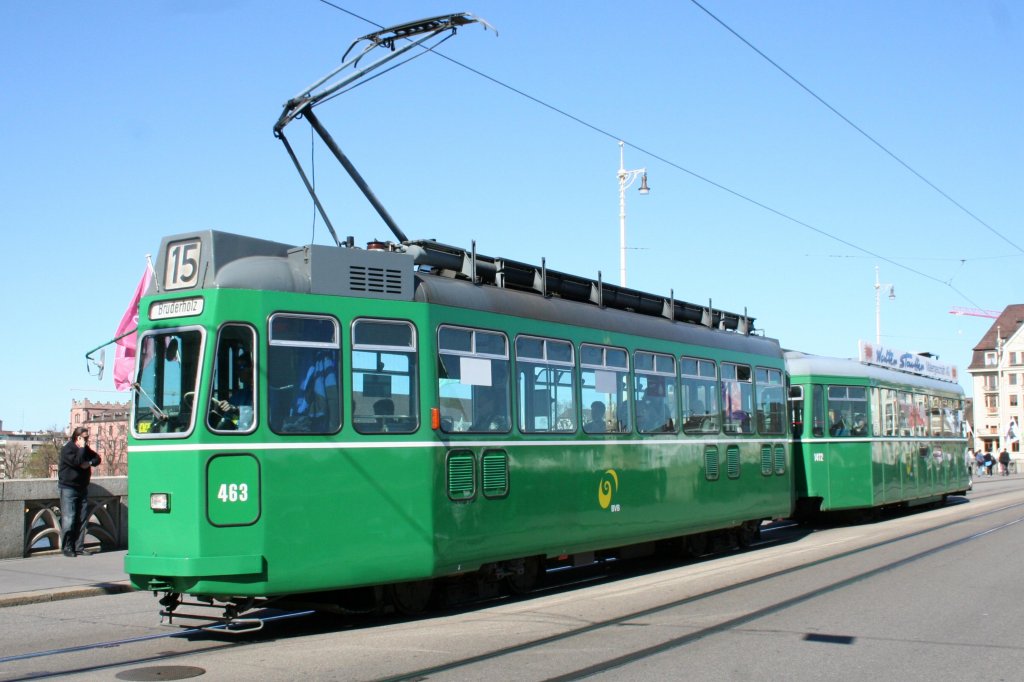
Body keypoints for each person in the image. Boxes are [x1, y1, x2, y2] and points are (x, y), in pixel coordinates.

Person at [58, 427, 102, 557]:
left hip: (82, 488)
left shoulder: (85, 449)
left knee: (82, 519)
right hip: (68, 488)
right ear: (78, 437)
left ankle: (78, 547)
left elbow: (97, 459)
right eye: (85, 438)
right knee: (69, 519)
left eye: (88, 438)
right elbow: (77, 462)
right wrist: (82, 449)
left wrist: (88, 462)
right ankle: (67, 547)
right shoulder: (67, 449)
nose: (87, 440)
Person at [210, 351, 255, 429]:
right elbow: (236, 423)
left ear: (252, 368)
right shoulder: (238, 396)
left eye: (241, 367)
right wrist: (231, 413)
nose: (238, 372)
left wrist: (236, 411)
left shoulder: (267, 395)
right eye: (237, 368)